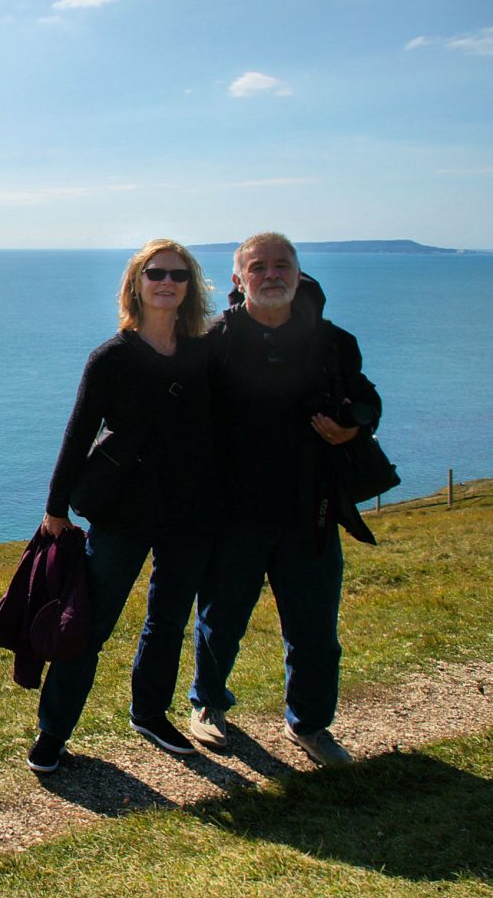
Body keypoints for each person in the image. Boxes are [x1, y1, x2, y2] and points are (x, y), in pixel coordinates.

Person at [188, 232, 380, 767]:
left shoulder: (334, 341)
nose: (271, 275)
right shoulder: (213, 340)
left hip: (311, 512)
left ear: (298, 273)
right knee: (220, 618)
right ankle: (207, 704)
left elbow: (366, 397)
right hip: (234, 514)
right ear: (238, 279)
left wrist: (355, 427)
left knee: (315, 628)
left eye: (282, 265)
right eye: (259, 266)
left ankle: (312, 725)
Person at [28, 240, 220, 774]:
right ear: (136, 284)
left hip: (190, 512)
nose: (167, 282)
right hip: (123, 512)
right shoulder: (111, 358)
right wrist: (55, 507)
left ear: (189, 287)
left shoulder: (204, 353)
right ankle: (53, 731)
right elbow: (78, 433)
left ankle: (149, 714)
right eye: (155, 273)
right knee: (88, 625)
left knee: (168, 620)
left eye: (178, 275)